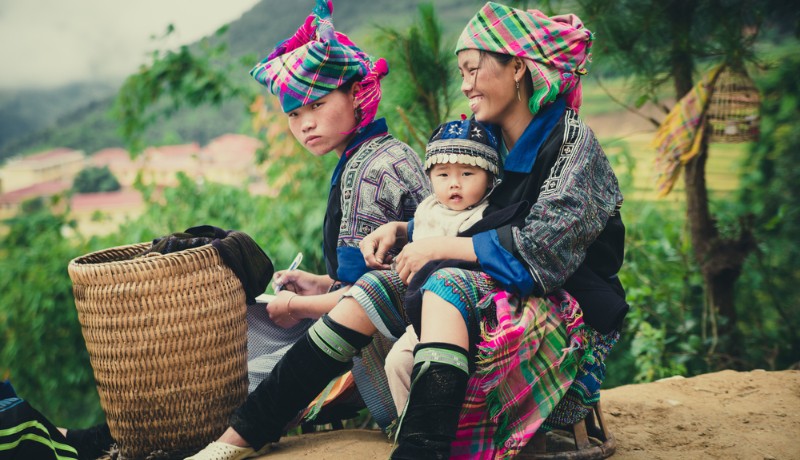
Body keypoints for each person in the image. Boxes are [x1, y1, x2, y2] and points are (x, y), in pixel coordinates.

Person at [190, 1, 627, 459]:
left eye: (473, 70)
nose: (465, 85)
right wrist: (404, 231)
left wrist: (436, 245)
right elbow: (468, 214)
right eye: (461, 72)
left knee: (445, 284)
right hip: (491, 286)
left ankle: (420, 452)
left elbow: (540, 254)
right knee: (375, 289)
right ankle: (236, 440)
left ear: (517, 67)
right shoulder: (488, 139)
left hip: (563, 305)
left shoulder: (574, 145)